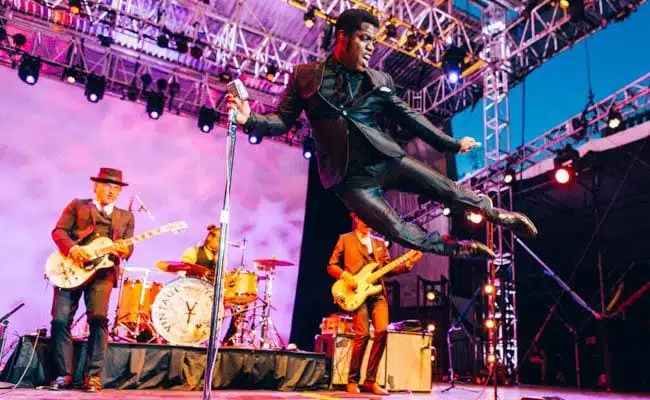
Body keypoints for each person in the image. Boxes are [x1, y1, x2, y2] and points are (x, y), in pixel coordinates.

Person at [226, 9, 537, 258]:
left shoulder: (379, 79)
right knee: (398, 231)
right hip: (351, 181)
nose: (372, 47)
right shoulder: (305, 75)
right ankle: (459, 250)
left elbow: (410, 116)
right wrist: (250, 119)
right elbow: (282, 120)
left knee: (448, 189)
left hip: (387, 159)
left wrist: (452, 144)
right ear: (343, 37)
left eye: (374, 41)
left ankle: (497, 215)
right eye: (364, 39)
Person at [49, 168, 134, 392]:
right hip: (71, 268)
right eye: (107, 185)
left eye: (116, 188)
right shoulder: (78, 205)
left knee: (98, 318)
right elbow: (58, 232)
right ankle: (62, 374)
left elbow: (129, 247)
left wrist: (124, 250)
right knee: (59, 320)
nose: (111, 191)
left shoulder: (126, 217)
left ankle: (93, 376)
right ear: (95, 186)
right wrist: (73, 249)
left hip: (102, 273)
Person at [328, 213, 422, 395]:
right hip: (355, 293)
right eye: (364, 217)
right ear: (355, 217)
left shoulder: (379, 243)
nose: (368, 222)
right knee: (362, 334)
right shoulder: (345, 240)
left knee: (382, 331)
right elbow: (331, 265)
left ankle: (370, 381)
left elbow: (389, 269)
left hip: (377, 292)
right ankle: (352, 380)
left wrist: (408, 263)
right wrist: (345, 276)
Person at [181, 224, 239, 346]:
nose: (221, 243)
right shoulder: (193, 252)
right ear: (209, 238)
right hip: (193, 292)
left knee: (237, 306)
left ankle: (225, 341)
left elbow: (222, 277)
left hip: (212, 294)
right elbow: (183, 269)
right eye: (219, 240)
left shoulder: (221, 257)